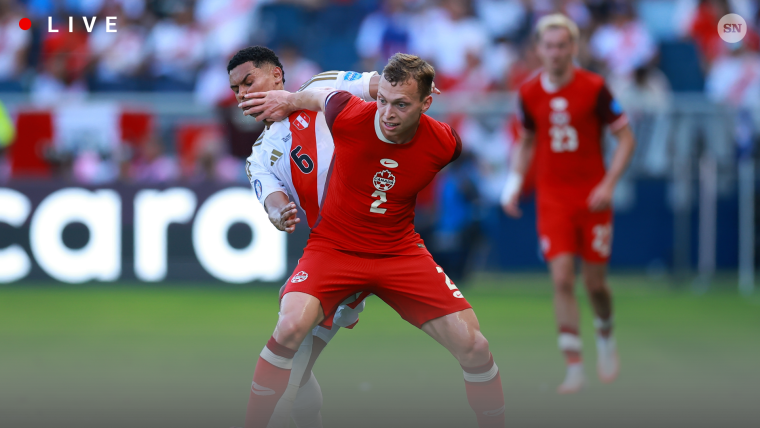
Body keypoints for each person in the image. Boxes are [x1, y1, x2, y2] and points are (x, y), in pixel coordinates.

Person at [239, 53, 505, 428]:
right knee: (292, 350)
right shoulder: (307, 132)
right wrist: (278, 211)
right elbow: (271, 195)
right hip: (332, 249)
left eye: (248, 83)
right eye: (235, 89)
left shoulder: (441, 141)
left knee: (475, 346)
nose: (241, 95)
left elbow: (368, 84)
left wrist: (293, 98)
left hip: (399, 251)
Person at [501, 14, 636, 394]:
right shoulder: (528, 93)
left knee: (595, 285)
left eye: (563, 45)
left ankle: (605, 335)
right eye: (549, 46)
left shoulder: (594, 87)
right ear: (539, 50)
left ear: (573, 48)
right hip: (553, 199)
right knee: (561, 277)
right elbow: (526, 141)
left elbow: (626, 139)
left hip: (592, 198)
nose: (556, 53)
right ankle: (574, 366)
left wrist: (609, 184)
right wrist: (513, 184)